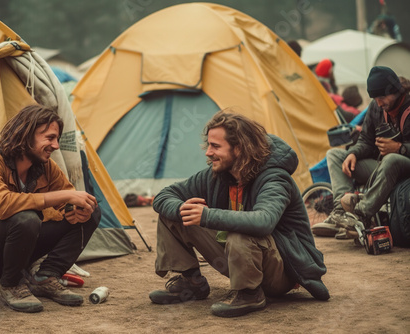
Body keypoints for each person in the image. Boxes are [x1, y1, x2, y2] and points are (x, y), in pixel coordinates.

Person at [148, 108, 329, 318]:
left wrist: (207, 215)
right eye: (208, 145)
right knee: (175, 214)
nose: (208, 152)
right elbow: (164, 195)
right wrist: (181, 208)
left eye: (215, 146)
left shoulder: (274, 179)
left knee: (241, 229)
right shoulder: (219, 174)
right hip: (240, 260)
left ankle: (250, 293)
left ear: (239, 148)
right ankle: (191, 282)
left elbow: (264, 221)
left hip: (283, 271)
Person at [0, 104, 100, 313]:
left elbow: (68, 201)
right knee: (25, 217)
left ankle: (45, 276)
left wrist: (78, 210)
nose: (56, 146)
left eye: (57, 139)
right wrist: (66, 195)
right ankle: (10, 284)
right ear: (26, 136)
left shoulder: (46, 167)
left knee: (91, 208)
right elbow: (3, 205)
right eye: (50, 138)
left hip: (15, 255)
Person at [315, 66, 410, 240]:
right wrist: (354, 154)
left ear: (396, 91)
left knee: (392, 159)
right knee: (335, 156)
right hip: (381, 166)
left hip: (402, 166)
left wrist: (399, 148)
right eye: (375, 98)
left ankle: (359, 214)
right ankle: (340, 213)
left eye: (382, 97)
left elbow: (395, 154)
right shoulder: (376, 107)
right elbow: (366, 139)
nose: (379, 103)